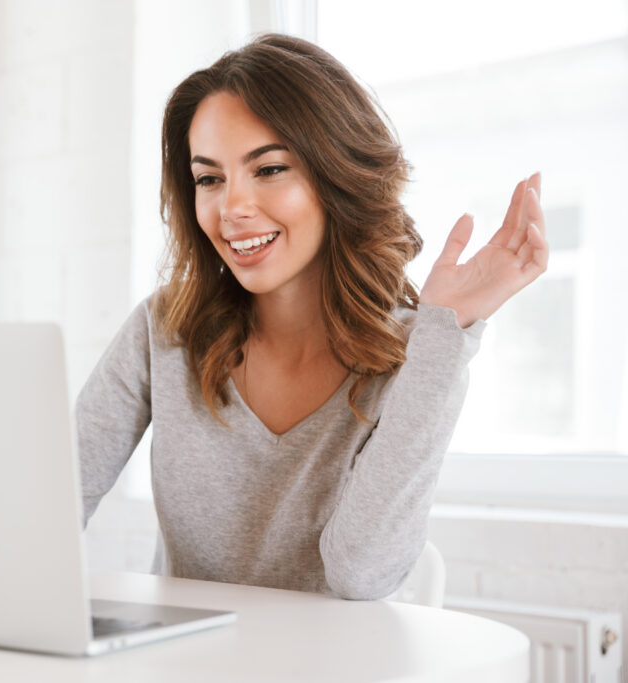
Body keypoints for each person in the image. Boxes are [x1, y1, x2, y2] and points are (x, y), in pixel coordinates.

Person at [75, 34, 548, 600]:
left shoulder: (413, 355)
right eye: (209, 178)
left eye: (269, 169)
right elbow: (45, 509)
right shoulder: (165, 331)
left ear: (335, 174)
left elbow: (361, 574)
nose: (232, 209)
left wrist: (447, 330)